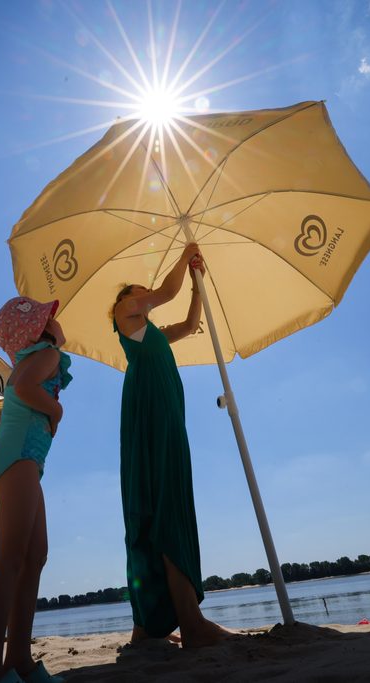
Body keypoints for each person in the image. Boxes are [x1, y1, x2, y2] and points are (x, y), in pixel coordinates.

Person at [112, 243, 234, 647]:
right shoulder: (123, 316)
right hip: (150, 414)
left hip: (166, 414)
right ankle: (190, 622)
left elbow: (189, 323)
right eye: (138, 292)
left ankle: (146, 627)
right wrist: (185, 256)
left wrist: (198, 285)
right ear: (125, 299)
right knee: (161, 501)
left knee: (158, 499)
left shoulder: (154, 333)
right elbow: (165, 293)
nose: (145, 295)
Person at [0, 297, 71, 683]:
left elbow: (5, 418)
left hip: (21, 458)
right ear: (40, 329)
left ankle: (19, 660)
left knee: (34, 557)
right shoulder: (47, 353)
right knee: (10, 561)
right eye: (52, 317)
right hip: (20, 459)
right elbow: (28, 391)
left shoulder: (27, 359)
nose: (58, 322)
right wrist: (56, 412)